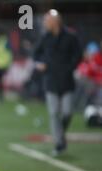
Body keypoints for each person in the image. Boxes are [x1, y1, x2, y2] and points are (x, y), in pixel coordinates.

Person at [33, 9, 82, 156]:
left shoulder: (71, 37)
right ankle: (59, 143)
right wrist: (39, 63)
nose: (45, 23)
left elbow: (78, 54)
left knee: (67, 113)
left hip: (66, 81)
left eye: (47, 20)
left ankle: (60, 134)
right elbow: (36, 54)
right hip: (51, 80)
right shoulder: (45, 37)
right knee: (54, 113)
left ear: (55, 22)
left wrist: (70, 68)